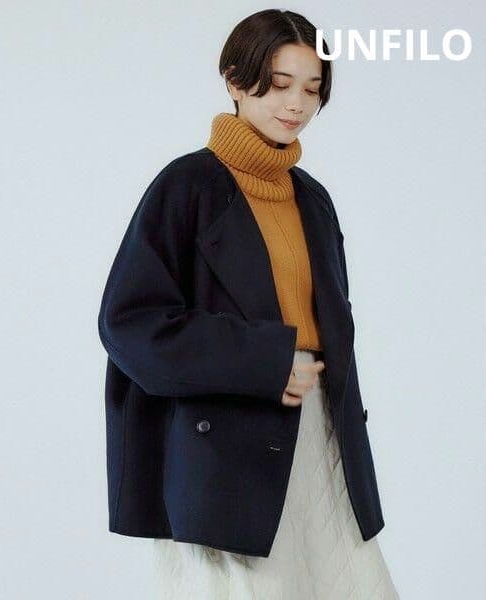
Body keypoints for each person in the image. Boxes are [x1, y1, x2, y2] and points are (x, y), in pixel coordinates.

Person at [98, 9, 400, 599]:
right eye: (279, 84)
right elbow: (130, 324)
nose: (297, 105)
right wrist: (265, 363)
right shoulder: (186, 187)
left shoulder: (312, 199)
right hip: (225, 450)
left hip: (322, 438)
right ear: (235, 81)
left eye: (312, 89)